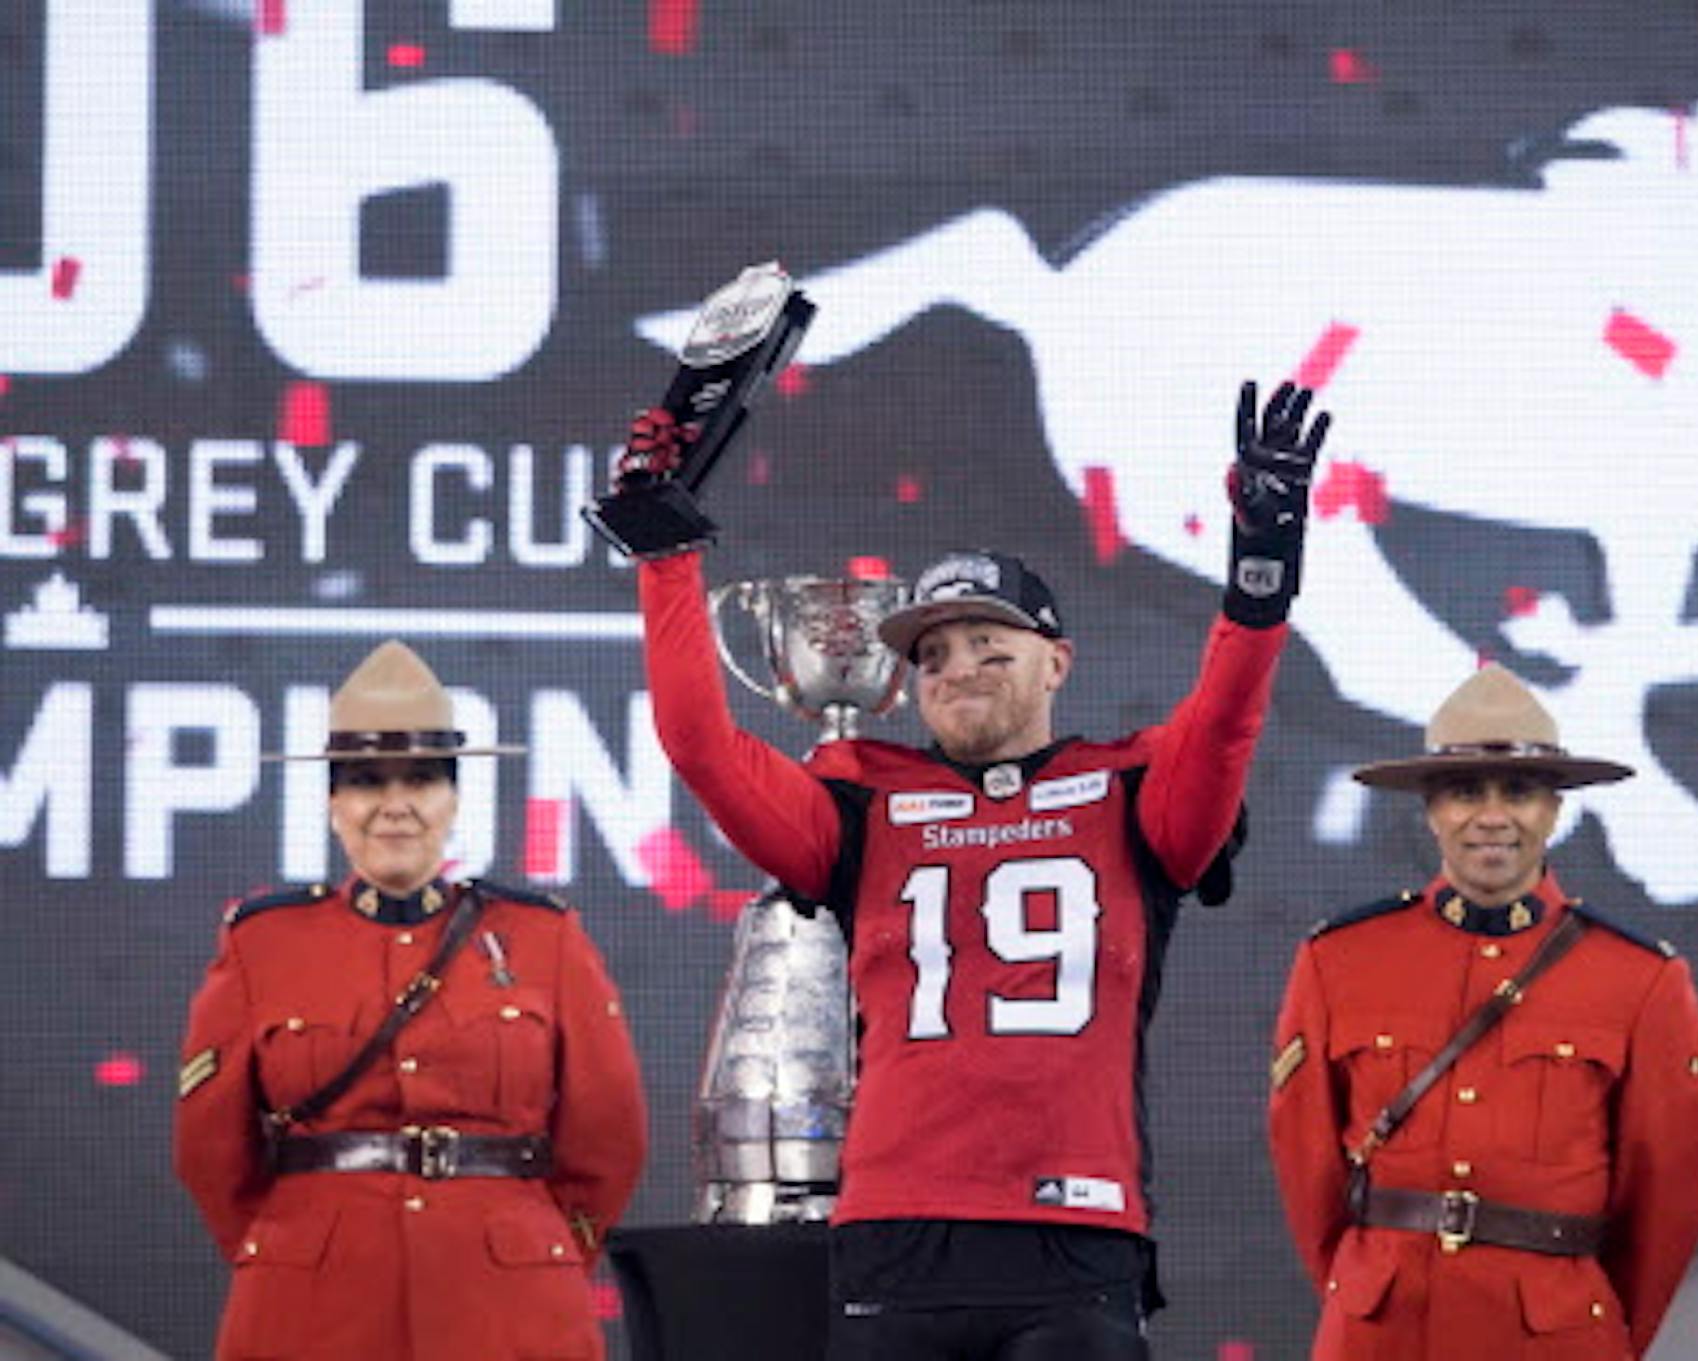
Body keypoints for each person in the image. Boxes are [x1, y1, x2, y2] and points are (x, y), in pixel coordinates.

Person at [629, 380, 1330, 1359]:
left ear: (1057, 662)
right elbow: (700, 743)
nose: (957, 667)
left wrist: (1259, 571)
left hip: (1076, 1232)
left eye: (988, 645)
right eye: (935, 654)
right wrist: (664, 555)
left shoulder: (1130, 792)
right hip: (896, 1232)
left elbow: (1227, 719)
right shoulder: (862, 803)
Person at [174, 640, 648, 1361]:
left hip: (508, 1305)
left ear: (454, 799)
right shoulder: (261, 942)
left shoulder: (542, 936)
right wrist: (290, 1246)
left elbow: (608, 1138)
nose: (394, 807)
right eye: (366, 782)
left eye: (421, 780)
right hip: (311, 1308)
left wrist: (540, 1250)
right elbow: (210, 1149)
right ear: (334, 803)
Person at [1267, 664, 1698, 1360]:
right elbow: (1308, 1170)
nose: (1491, 814)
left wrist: (1593, 1324)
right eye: (1462, 791)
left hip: (1555, 1339)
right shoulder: (1339, 958)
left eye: (1519, 790)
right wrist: (1363, 1285)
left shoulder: (1641, 978)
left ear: (1556, 809)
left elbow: (1667, 1201)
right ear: (1429, 807)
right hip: (1379, 1332)